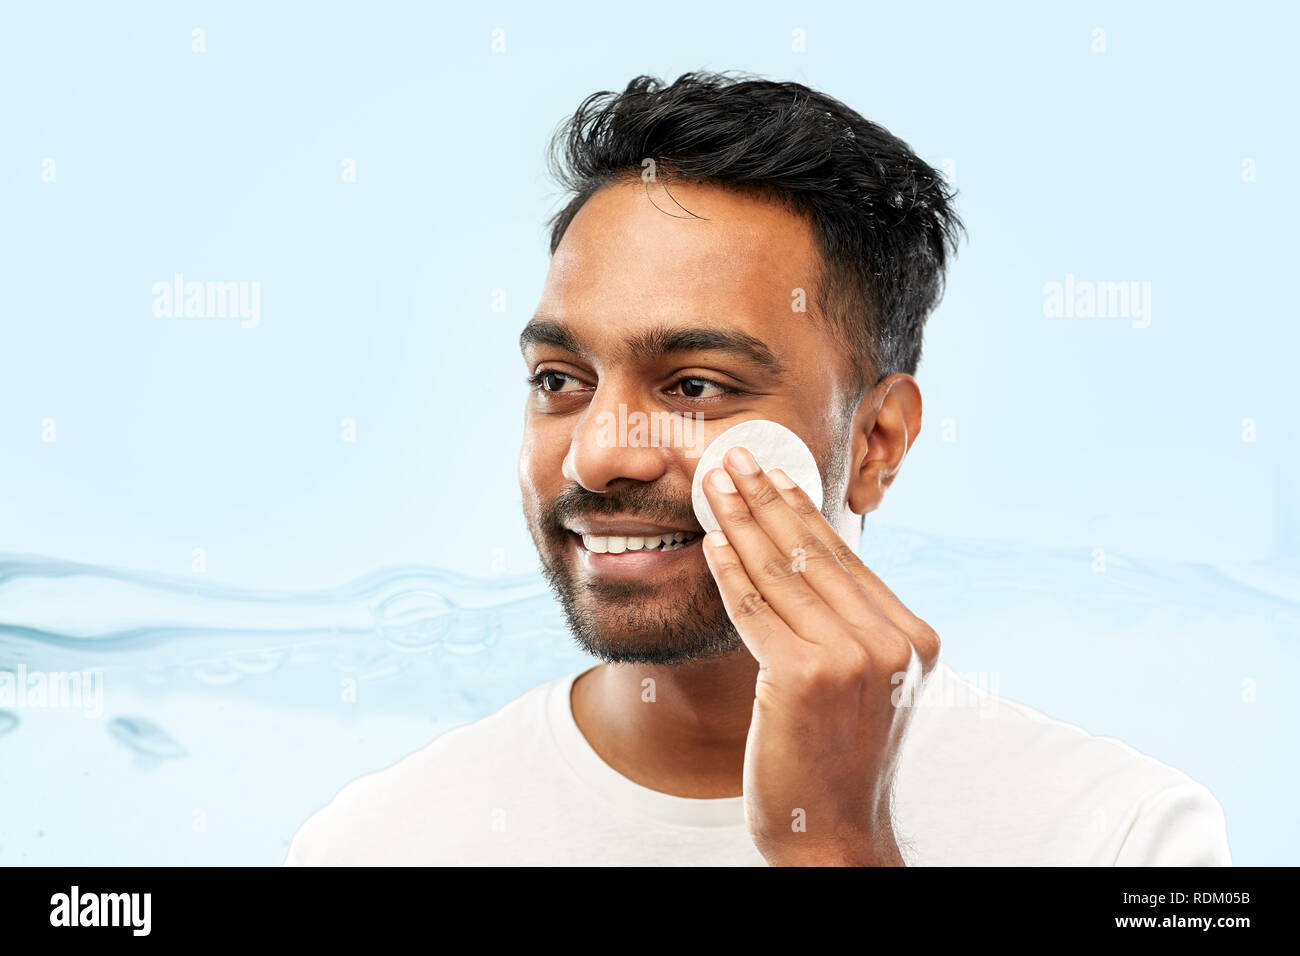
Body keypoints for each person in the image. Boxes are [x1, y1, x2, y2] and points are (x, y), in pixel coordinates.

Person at [285, 72, 1230, 866]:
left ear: (876, 445)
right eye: (560, 378)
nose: (597, 453)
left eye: (694, 385)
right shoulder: (373, 845)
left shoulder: (1125, 836)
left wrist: (833, 844)